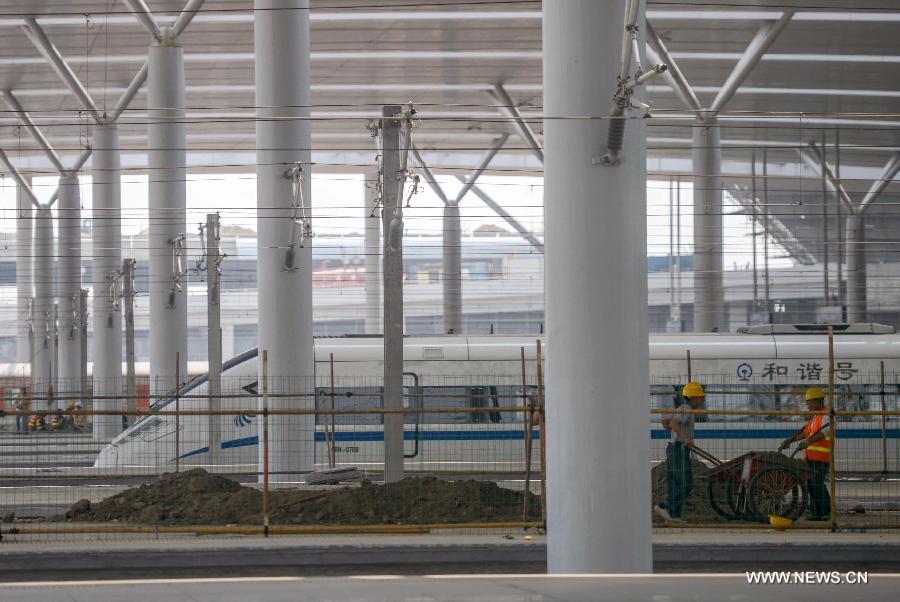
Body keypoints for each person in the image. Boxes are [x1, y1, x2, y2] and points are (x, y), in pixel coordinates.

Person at [654, 381, 705, 523]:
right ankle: (664, 506)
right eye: (700, 397)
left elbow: (665, 420)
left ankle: (673, 517)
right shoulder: (686, 409)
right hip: (679, 449)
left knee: (675, 483)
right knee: (686, 483)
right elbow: (673, 423)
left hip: (673, 448)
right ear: (694, 397)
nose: (702, 400)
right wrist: (686, 437)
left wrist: (673, 432)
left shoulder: (682, 408)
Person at [779, 387, 832, 521]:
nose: (807, 405)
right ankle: (818, 512)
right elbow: (805, 433)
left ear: (818, 401)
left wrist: (809, 441)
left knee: (817, 484)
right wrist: (790, 440)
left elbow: (825, 432)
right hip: (811, 457)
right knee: (812, 484)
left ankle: (825, 512)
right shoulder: (815, 417)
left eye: (809, 402)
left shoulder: (827, 414)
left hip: (821, 458)